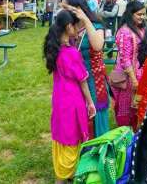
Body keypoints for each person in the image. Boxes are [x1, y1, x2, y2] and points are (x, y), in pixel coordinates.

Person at [43, 10, 96, 184]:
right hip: (72, 100)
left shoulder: (55, 48)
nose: (79, 28)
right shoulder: (71, 53)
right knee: (72, 139)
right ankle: (62, 178)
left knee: (61, 137)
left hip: (59, 99)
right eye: (76, 25)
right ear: (68, 27)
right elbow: (82, 81)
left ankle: (67, 175)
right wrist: (90, 103)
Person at [63, 0, 109, 138]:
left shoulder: (96, 25)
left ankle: (99, 149)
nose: (62, 11)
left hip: (94, 79)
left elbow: (97, 45)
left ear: (77, 9)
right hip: (75, 79)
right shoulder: (69, 27)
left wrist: (85, 20)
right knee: (79, 113)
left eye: (65, 8)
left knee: (96, 112)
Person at [111, 1, 145, 130]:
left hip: (138, 70)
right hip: (128, 75)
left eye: (143, 14)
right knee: (126, 106)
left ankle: (135, 131)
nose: (142, 17)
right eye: (139, 14)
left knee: (136, 104)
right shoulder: (125, 31)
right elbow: (125, 59)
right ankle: (125, 133)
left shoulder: (139, 28)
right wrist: (134, 79)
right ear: (130, 14)